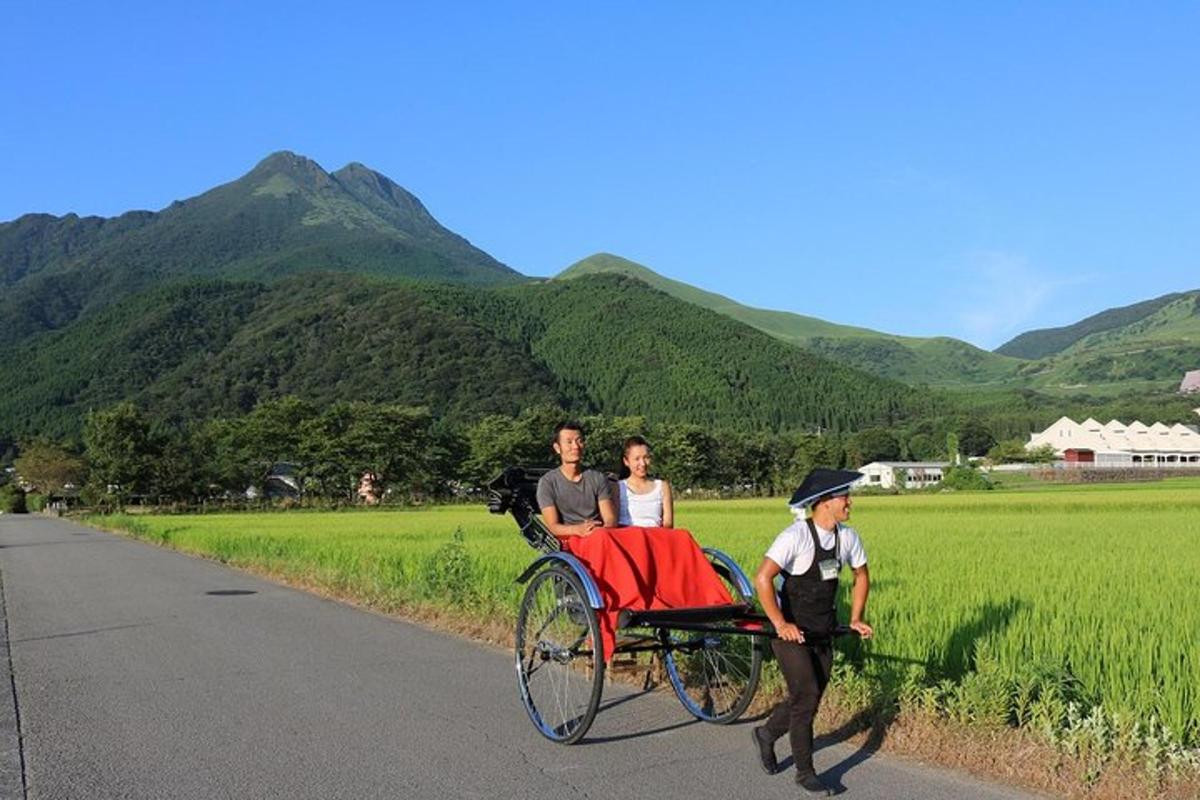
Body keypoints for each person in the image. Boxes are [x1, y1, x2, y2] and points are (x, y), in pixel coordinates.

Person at [751, 468, 874, 797]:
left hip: (823, 630)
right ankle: (806, 772)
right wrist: (780, 623)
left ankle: (766, 733)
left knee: (808, 697)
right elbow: (762, 578)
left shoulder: (847, 537)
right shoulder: (796, 537)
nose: (849, 501)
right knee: (806, 697)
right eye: (843, 496)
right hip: (790, 632)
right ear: (824, 503)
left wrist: (857, 617)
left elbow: (861, 575)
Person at [536, 420, 617, 538]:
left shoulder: (597, 478)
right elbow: (552, 527)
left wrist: (602, 530)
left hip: (599, 535)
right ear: (557, 448)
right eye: (569, 442)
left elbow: (610, 518)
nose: (575, 446)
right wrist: (578, 530)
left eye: (579, 441)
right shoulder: (548, 483)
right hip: (571, 539)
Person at [616, 436, 674, 528]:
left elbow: (668, 524)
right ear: (626, 461)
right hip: (627, 537)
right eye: (637, 459)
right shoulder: (618, 487)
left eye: (646, 457)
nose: (643, 463)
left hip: (655, 537)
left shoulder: (662, 486)